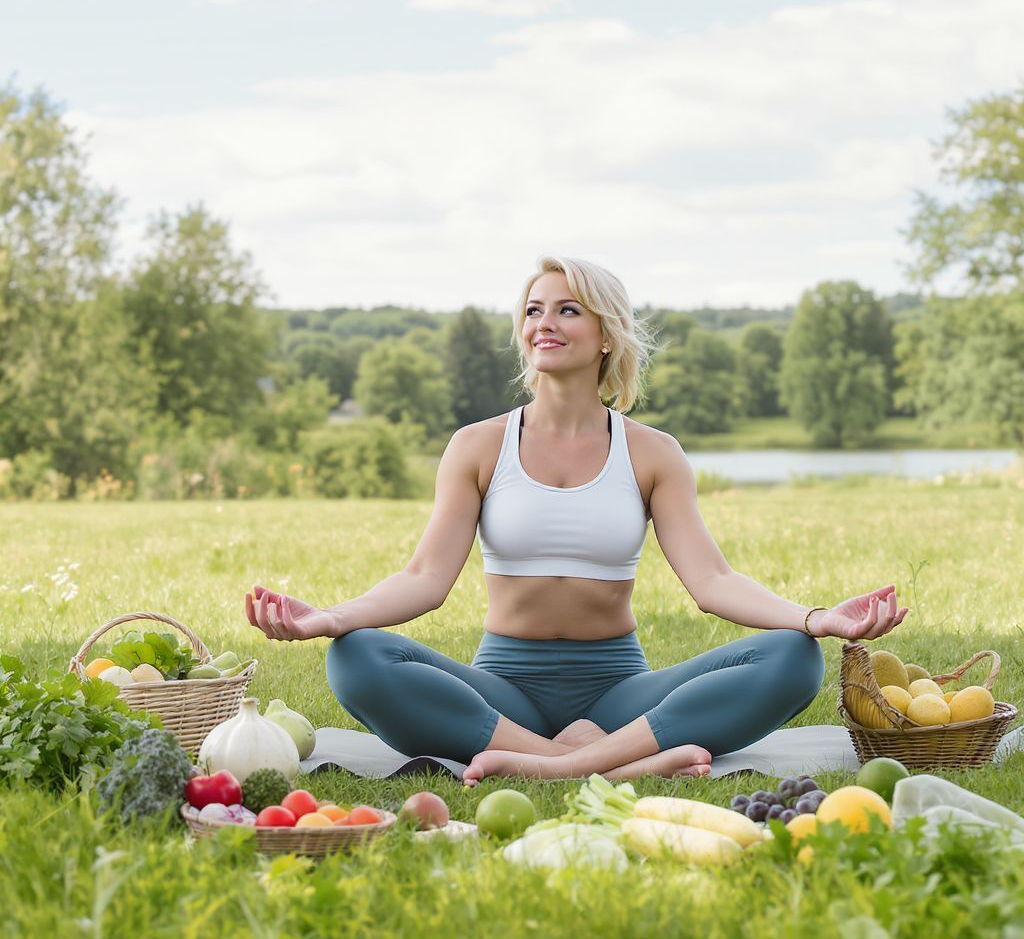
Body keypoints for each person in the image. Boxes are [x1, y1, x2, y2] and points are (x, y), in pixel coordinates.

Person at [246, 257, 908, 785]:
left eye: (568, 309)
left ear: (606, 335)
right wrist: (332, 618)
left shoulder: (653, 453)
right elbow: (424, 578)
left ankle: (559, 767)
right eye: (534, 310)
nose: (545, 323)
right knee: (357, 657)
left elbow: (712, 580)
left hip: (621, 693)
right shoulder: (477, 446)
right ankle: (595, 762)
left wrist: (813, 619)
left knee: (793, 658)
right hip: (502, 693)